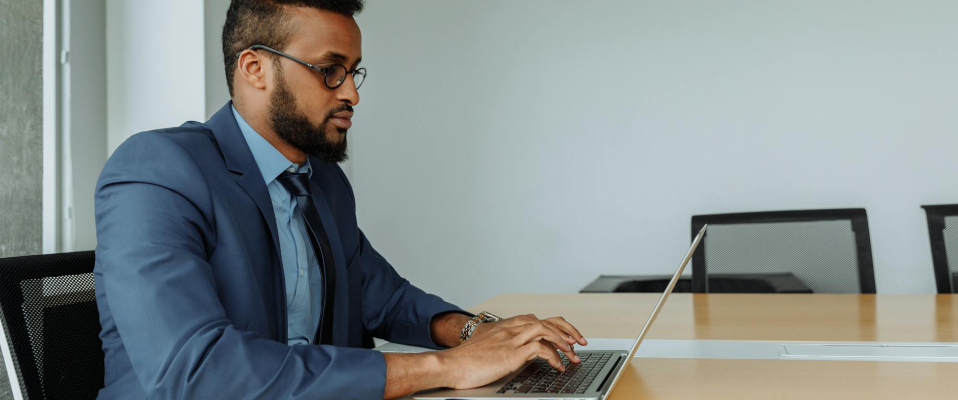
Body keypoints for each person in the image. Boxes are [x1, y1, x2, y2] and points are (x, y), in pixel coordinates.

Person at [93, 1, 587, 399]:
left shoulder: (320, 179)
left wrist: (478, 333)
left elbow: (385, 298)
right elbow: (197, 369)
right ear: (255, 68)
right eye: (330, 70)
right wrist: (447, 366)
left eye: (354, 71)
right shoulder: (157, 171)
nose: (351, 92)